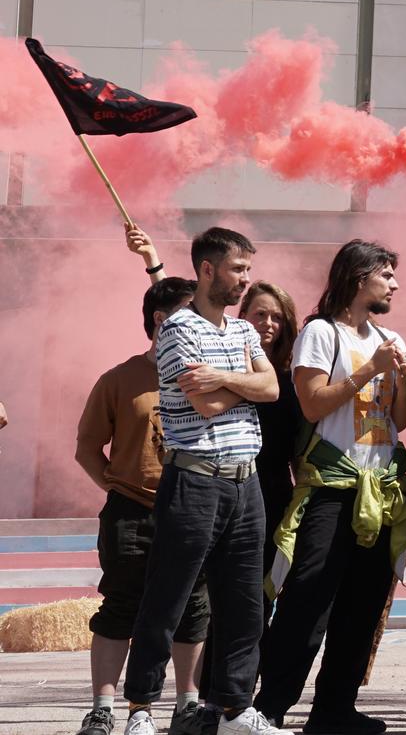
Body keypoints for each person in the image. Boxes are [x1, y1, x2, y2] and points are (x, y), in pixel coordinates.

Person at [123, 228, 282, 735]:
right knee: (167, 597)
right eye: (238, 270)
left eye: (248, 271)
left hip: (245, 482)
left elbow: (274, 387)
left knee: (243, 603)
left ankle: (236, 708)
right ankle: (141, 709)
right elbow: (206, 404)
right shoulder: (177, 329)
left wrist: (225, 378)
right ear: (207, 270)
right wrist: (245, 385)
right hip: (194, 482)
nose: (245, 281)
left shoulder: (242, 331)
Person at [255, 241, 406, 734]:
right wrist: (372, 369)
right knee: (308, 598)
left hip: (381, 487)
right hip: (332, 485)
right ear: (358, 276)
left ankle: (334, 709)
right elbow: (311, 404)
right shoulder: (320, 333)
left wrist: (404, 377)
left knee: (363, 604)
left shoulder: (390, 336)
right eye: (386, 274)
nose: (394, 284)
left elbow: (402, 419)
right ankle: (268, 707)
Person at [76, 277, 209, 735]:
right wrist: (117, 486)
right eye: (192, 313)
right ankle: (103, 709)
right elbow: (88, 448)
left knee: (193, 605)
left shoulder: (208, 373)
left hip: (194, 504)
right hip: (132, 512)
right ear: (161, 319)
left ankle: (187, 705)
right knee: (121, 605)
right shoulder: (119, 379)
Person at [237, 283, 303, 597]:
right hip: (228, 491)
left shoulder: (294, 380)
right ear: (243, 317)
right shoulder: (225, 370)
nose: (268, 323)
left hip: (274, 496)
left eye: (277, 316)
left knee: (262, 594)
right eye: (260, 314)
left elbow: (299, 455)